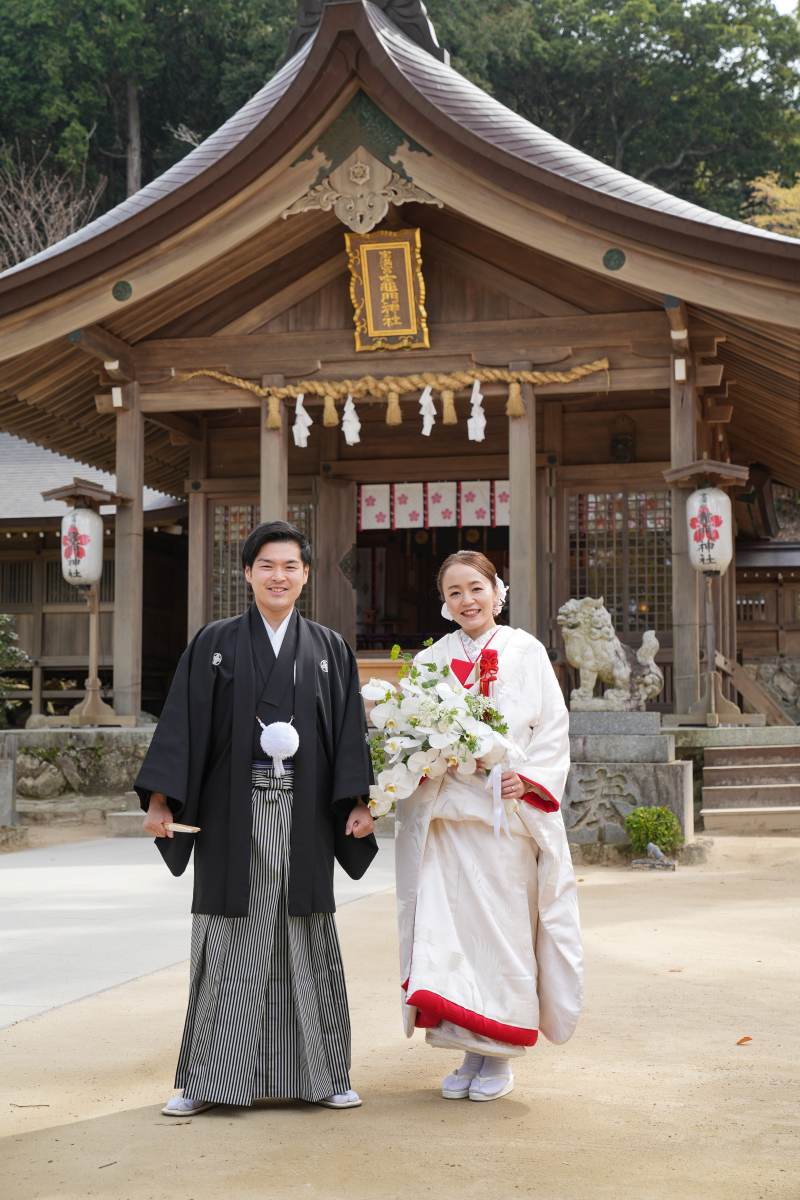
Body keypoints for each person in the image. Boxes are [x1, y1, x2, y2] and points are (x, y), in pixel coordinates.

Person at [136, 520, 376, 1115]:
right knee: (226, 932)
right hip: (228, 811)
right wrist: (163, 798)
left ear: (306, 575)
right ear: (247, 573)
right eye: (266, 565)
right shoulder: (214, 641)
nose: (278, 575)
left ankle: (323, 1076)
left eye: (290, 566)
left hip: (306, 809)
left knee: (306, 928)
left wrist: (358, 802)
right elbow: (181, 725)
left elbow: (350, 735)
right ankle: (206, 1082)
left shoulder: (328, 649)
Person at [394, 550, 583, 1102]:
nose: (467, 600)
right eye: (454, 592)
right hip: (449, 819)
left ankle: (498, 1055)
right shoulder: (430, 660)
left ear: (497, 591)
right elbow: (408, 738)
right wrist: (432, 759)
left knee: (501, 932)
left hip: (503, 819)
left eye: (476, 588)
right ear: (444, 602)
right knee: (449, 932)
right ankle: (469, 1048)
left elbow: (551, 729)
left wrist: (525, 780)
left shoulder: (527, 651)